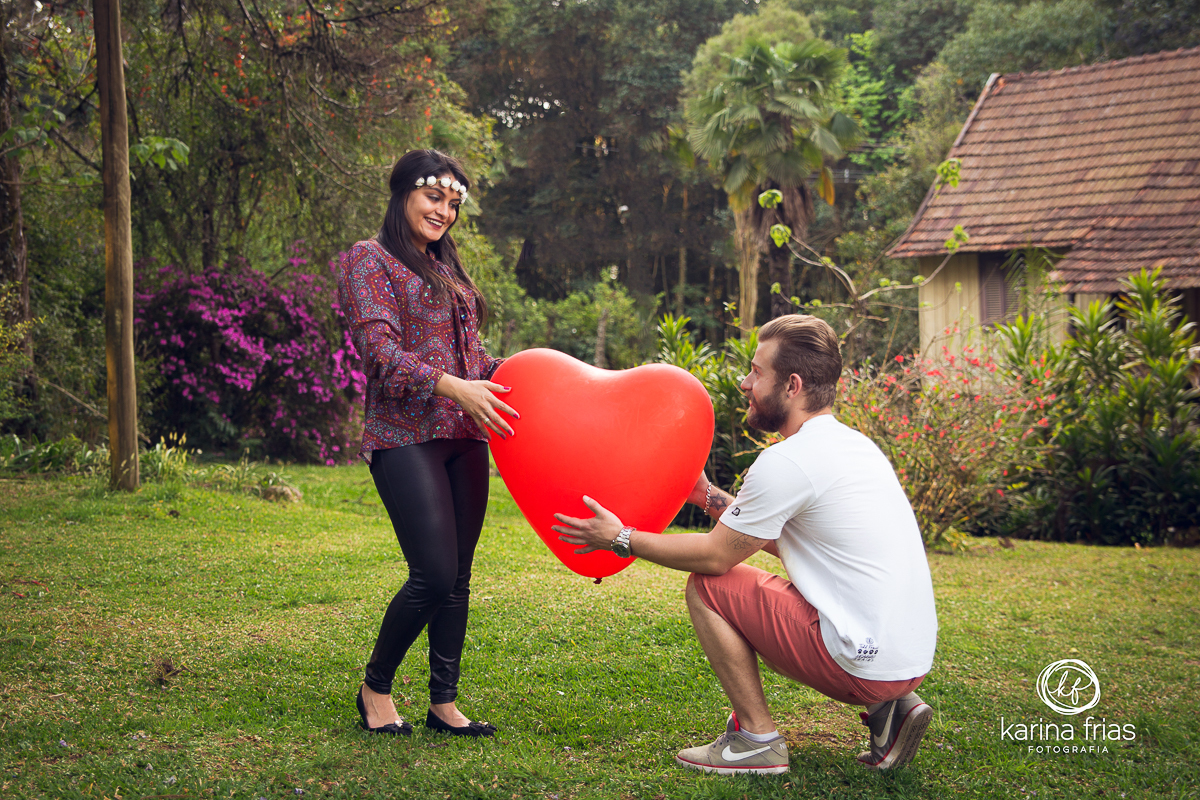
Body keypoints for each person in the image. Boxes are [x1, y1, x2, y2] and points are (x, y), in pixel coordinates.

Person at [553, 314, 938, 774]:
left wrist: (619, 537)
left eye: (757, 372)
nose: (744, 382)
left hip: (861, 666)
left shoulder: (788, 461)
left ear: (791, 385)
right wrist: (707, 496)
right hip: (906, 660)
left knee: (707, 586)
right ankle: (892, 710)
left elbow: (717, 556)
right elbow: (782, 541)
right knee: (749, 580)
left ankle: (757, 740)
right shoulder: (855, 448)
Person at [337, 149, 518, 738]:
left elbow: (470, 360)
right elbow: (380, 353)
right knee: (434, 574)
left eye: (454, 203)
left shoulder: (448, 269)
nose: (444, 211)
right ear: (403, 194)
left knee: (459, 576)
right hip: (404, 434)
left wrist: (520, 374)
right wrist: (456, 388)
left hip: (465, 435)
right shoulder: (370, 260)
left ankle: (444, 701)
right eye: (434, 197)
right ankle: (375, 688)